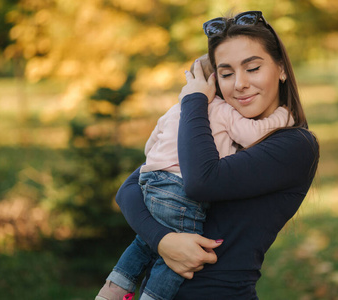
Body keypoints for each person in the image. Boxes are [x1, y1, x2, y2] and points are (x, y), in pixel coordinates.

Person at [115, 10, 319, 300]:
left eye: (253, 68)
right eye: (226, 73)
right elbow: (128, 190)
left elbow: (201, 181)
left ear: (282, 69)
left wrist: (194, 100)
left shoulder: (295, 145)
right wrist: (163, 241)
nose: (239, 84)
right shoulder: (214, 125)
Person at [96, 53, 294, 300]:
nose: (237, 84)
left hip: (152, 179)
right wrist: (283, 116)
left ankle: (113, 289)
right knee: (181, 254)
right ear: (215, 82)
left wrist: (158, 164)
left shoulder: (177, 108)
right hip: (179, 189)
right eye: (227, 75)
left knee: (143, 243)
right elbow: (252, 134)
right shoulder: (220, 109)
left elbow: (150, 145)